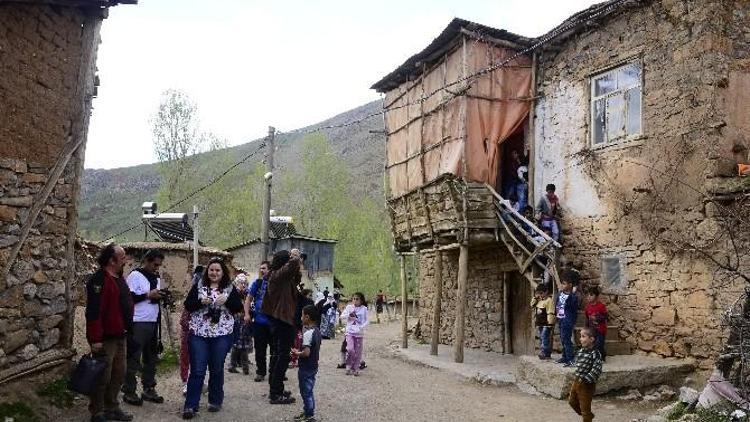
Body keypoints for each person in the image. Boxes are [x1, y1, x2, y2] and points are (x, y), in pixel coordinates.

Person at [181, 258, 243, 419]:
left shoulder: (230, 288)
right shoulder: (199, 286)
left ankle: (215, 400)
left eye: (217, 270)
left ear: (223, 273)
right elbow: (188, 305)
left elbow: (238, 308)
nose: (214, 273)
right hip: (199, 334)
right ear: (207, 271)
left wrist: (227, 300)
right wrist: (201, 302)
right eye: (211, 270)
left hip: (221, 335)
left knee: (216, 368)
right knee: (197, 370)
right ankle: (190, 405)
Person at [85, 243, 133, 422]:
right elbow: (93, 312)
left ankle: (112, 406)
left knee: (119, 373)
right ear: (112, 260)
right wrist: (95, 339)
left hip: (121, 335)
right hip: (105, 338)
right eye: (122, 258)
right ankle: (97, 412)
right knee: (102, 375)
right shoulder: (98, 280)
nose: (125, 261)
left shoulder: (119, 278)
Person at [123, 249, 166, 406]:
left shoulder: (156, 277)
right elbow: (129, 298)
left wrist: (161, 296)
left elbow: (153, 296)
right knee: (133, 358)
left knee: (151, 358)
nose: (157, 268)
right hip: (138, 321)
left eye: (159, 265)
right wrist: (148, 295)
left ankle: (149, 388)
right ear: (146, 261)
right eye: (155, 264)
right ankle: (129, 390)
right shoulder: (135, 276)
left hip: (153, 321)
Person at [262, 249, 303, 405]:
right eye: (288, 261)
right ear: (283, 262)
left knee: (279, 355)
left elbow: (296, 278)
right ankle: (275, 393)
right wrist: (295, 257)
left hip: (283, 319)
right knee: (282, 356)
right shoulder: (276, 275)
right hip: (281, 320)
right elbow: (290, 267)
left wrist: (296, 263)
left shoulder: (282, 277)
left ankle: (276, 387)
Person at [291, 305, 322, 422]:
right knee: (309, 390)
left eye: (302, 315)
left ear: (307, 317)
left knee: (306, 391)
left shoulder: (308, 333)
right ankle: (308, 412)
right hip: (314, 365)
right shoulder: (318, 331)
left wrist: (296, 353)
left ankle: (309, 415)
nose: (301, 318)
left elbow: (306, 353)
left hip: (306, 367)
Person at [568, 327, 603, 422]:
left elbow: (597, 369)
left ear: (591, 339)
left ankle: (586, 416)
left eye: (583, 336)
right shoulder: (581, 351)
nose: (580, 339)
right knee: (572, 402)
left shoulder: (595, 353)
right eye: (580, 336)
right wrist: (570, 364)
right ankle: (588, 415)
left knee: (585, 408)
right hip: (576, 380)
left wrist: (586, 379)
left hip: (587, 384)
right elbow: (577, 362)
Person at [245, 261, 271, 382]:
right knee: (260, 349)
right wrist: (246, 314)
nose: (262, 270)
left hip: (274, 323)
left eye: (264, 268)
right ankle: (260, 372)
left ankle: (274, 371)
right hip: (259, 322)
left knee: (275, 349)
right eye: (260, 268)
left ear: (270, 270)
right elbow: (248, 299)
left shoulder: (276, 284)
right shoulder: (257, 283)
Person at [180, 265, 203, 396]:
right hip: (189, 330)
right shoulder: (191, 294)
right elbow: (185, 317)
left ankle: (198, 382)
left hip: (202, 332)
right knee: (186, 356)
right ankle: (186, 383)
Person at [229, 273, 253, 375]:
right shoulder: (234, 292)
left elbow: (250, 304)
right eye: (240, 283)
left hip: (245, 319)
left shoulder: (247, 293)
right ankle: (238, 366)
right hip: (237, 319)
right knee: (237, 344)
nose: (243, 285)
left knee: (244, 344)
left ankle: (238, 365)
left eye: (244, 283)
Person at [341, 292, 369, 376]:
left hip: (359, 333)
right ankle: (348, 365)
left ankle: (355, 368)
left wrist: (361, 327)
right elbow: (342, 316)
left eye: (357, 299)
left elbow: (367, 320)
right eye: (354, 299)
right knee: (350, 349)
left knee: (358, 352)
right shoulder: (349, 307)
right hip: (349, 332)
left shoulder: (364, 309)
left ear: (361, 300)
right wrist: (348, 315)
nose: (355, 301)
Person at [555, 271, 579, 366]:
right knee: (563, 339)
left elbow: (572, 307)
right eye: (562, 283)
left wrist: (572, 293)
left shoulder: (573, 297)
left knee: (567, 340)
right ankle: (564, 357)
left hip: (567, 320)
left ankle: (570, 359)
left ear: (570, 285)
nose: (562, 285)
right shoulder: (560, 294)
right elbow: (558, 304)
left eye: (564, 284)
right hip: (561, 320)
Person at [291, 289, 314, 368]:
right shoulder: (300, 302)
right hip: (295, 325)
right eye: (309, 295)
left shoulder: (306, 303)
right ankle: (293, 359)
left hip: (300, 325)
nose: (310, 297)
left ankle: (296, 358)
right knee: (296, 341)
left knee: (299, 341)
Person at [531, 284, 555, 360]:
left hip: (546, 323)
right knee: (542, 338)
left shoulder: (549, 300)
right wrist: (535, 298)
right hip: (540, 323)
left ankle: (543, 352)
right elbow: (532, 305)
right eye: (538, 293)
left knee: (544, 337)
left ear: (546, 292)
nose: (540, 295)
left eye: (541, 293)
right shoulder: (539, 300)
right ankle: (547, 354)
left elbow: (550, 311)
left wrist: (550, 323)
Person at [584, 286, 608, 362]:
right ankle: (596, 357)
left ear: (596, 296)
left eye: (591, 295)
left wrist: (597, 318)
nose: (589, 297)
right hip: (592, 330)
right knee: (593, 344)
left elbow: (605, 317)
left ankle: (602, 356)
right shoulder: (587, 307)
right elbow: (587, 318)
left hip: (600, 330)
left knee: (599, 344)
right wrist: (586, 328)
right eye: (588, 295)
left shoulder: (601, 306)